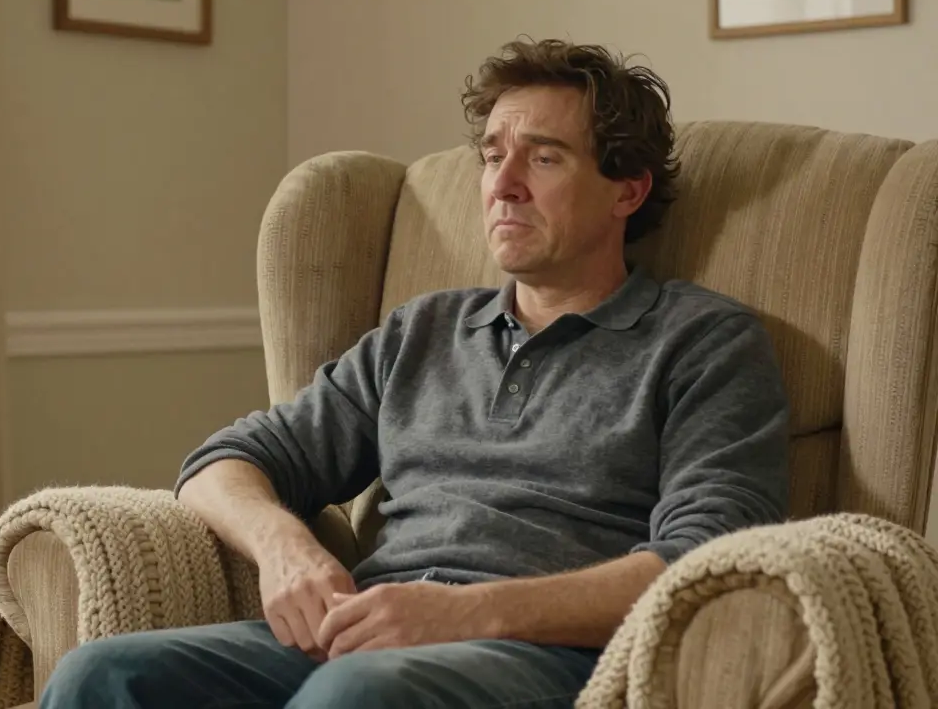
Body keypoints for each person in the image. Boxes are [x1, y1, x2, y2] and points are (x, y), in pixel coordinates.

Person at [40, 38, 790, 709]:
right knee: (98, 676)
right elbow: (222, 464)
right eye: (494, 154)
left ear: (627, 190)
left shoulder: (704, 341)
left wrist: (460, 612)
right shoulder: (421, 331)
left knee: (356, 692)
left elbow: (704, 562)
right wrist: (284, 549)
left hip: (549, 659)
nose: (503, 184)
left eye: (545, 156)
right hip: (366, 635)